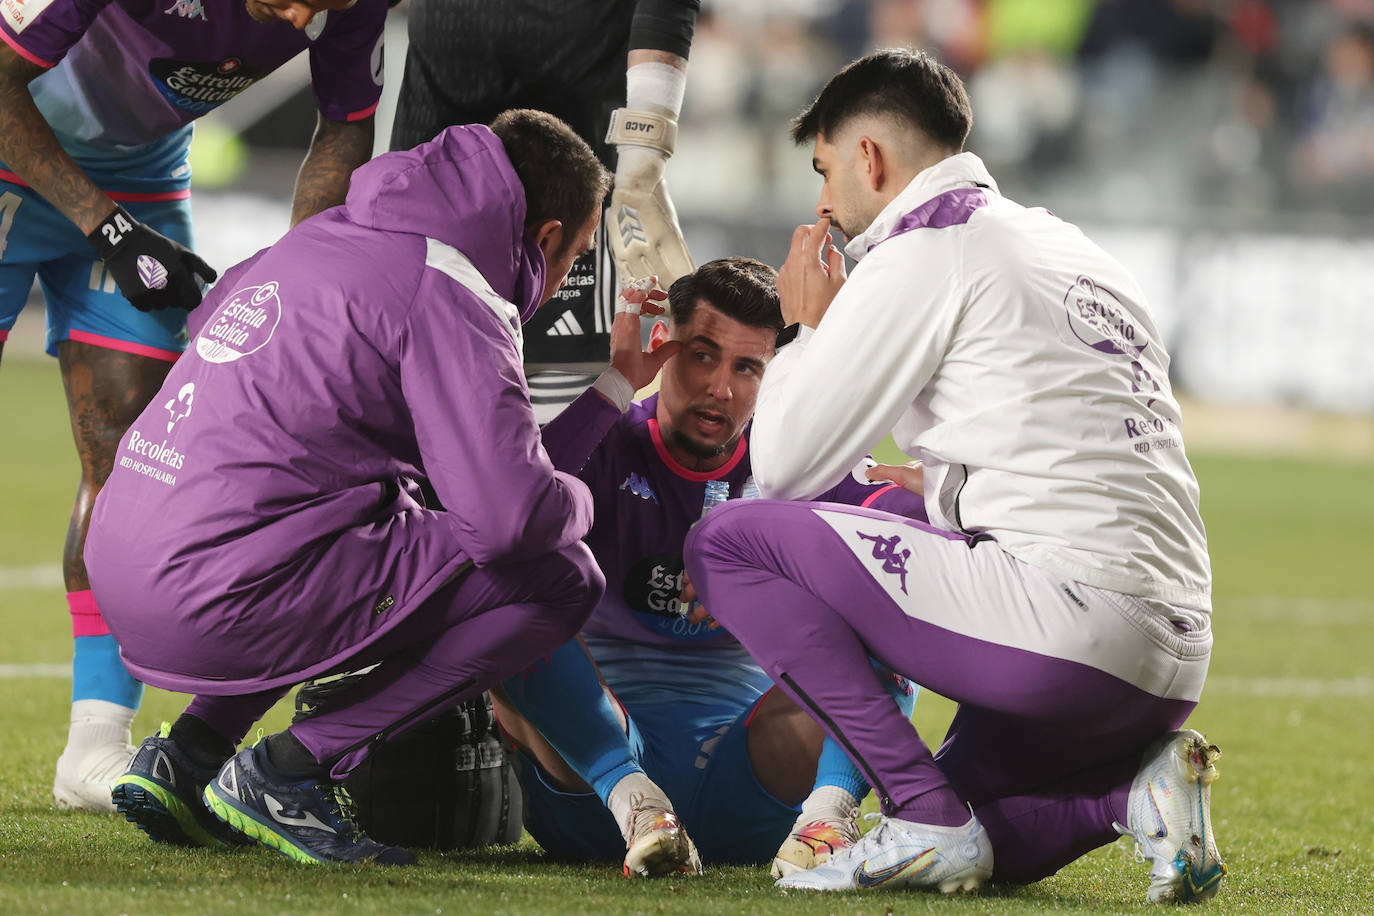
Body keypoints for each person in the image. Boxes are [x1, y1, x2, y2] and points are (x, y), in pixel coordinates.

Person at [683, 49, 1224, 903]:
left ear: (869, 158)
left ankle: (915, 807)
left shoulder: (927, 245)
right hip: (1173, 657)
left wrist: (801, 330)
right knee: (975, 829)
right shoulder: (1071, 245)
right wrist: (941, 492)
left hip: (1065, 631)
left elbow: (783, 467)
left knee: (727, 541)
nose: (821, 202)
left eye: (824, 171)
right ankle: (1133, 796)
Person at [86, 110, 610, 865]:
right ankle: (288, 771)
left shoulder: (323, 234)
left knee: (370, 508)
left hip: (125, 552)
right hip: (212, 594)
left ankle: (190, 750)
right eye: (577, 256)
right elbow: (507, 519)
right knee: (561, 576)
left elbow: (220, 321)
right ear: (549, 237)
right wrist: (578, 498)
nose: (563, 280)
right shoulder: (454, 285)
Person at [0, 0, 388, 812]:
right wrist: (106, 228)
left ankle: (94, 749)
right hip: (12, 147)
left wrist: (299, 266)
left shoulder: (355, 4)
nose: (300, 14)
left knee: (133, 450)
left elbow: (346, 125)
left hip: (139, 176)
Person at [493, 257, 926, 878]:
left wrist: (785, 563)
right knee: (501, 578)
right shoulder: (606, 444)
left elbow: (916, 530)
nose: (720, 388)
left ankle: (828, 817)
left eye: (747, 367)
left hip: (759, 792)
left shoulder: (799, 465)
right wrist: (616, 383)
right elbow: (508, 499)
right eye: (702, 355)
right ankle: (638, 801)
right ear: (663, 348)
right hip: (597, 791)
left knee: (891, 592)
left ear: (775, 375)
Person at [390, 0, 700, 421]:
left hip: (572, 191)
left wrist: (643, 160)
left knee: (547, 441)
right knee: (411, 408)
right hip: (431, 179)